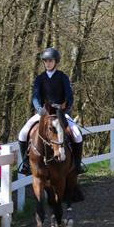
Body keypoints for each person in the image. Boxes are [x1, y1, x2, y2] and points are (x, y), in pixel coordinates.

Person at [18, 47, 84, 175]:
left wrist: (64, 108)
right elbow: (35, 97)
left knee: (77, 134)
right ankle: (26, 164)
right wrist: (39, 109)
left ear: (56, 62)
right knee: (22, 133)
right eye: (46, 61)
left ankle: (77, 164)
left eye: (50, 60)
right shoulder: (40, 78)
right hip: (43, 113)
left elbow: (69, 96)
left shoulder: (62, 77)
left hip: (60, 113)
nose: (48, 63)